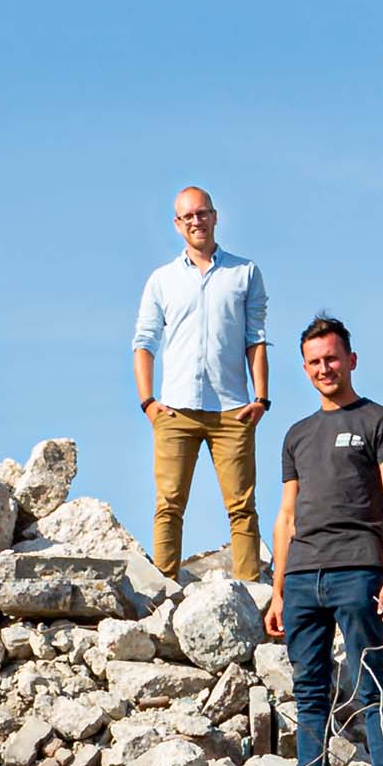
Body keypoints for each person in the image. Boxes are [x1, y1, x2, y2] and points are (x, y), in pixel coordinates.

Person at [260, 317, 383, 766]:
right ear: (304, 369)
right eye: (314, 362)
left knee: (370, 681)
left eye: (332, 358)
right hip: (302, 575)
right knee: (309, 689)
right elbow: (286, 514)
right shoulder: (297, 434)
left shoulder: (380, 421)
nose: (324, 368)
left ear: (351, 360)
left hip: (358, 567)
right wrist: (277, 590)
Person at [132, 187, 269, 579]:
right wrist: (148, 402)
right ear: (177, 225)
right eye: (187, 216)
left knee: (242, 506)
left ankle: (251, 591)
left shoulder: (244, 273)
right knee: (169, 504)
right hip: (175, 408)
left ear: (215, 216)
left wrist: (261, 397)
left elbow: (255, 338)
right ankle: (163, 591)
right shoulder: (162, 280)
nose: (196, 221)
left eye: (202, 213)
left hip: (233, 408)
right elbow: (143, 341)